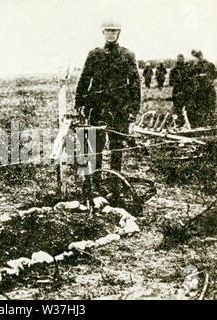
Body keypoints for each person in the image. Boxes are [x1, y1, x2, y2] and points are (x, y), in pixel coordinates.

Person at [74, 18, 141, 201]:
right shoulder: (94, 54)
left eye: (114, 31)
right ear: (103, 32)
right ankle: (95, 185)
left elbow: (135, 84)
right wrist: (79, 102)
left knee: (116, 147)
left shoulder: (127, 55)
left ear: (119, 33)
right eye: (108, 31)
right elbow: (84, 79)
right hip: (97, 106)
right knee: (95, 146)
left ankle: (115, 185)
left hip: (119, 107)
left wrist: (133, 110)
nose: (111, 34)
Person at [188, 50, 217, 127]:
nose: (198, 59)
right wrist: (197, 77)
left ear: (202, 56)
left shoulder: (209, 65)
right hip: (199, 89)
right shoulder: (195, 66)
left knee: (210, 105)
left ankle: (211, 122)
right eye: (197, 57)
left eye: (199, 57)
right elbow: (190, 76)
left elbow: (215, 75)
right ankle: (201, 123)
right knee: (200, 106)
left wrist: (207, 77)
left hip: (209, 88)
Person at [169, 54, 189, 126]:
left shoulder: (175, 69)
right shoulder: (186, 68)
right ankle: (180, 123)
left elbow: (171, 82)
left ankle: (181, 123)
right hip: (181, 90)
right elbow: (171, 82)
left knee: (179, 108)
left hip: (181, 90)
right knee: (180, 107)